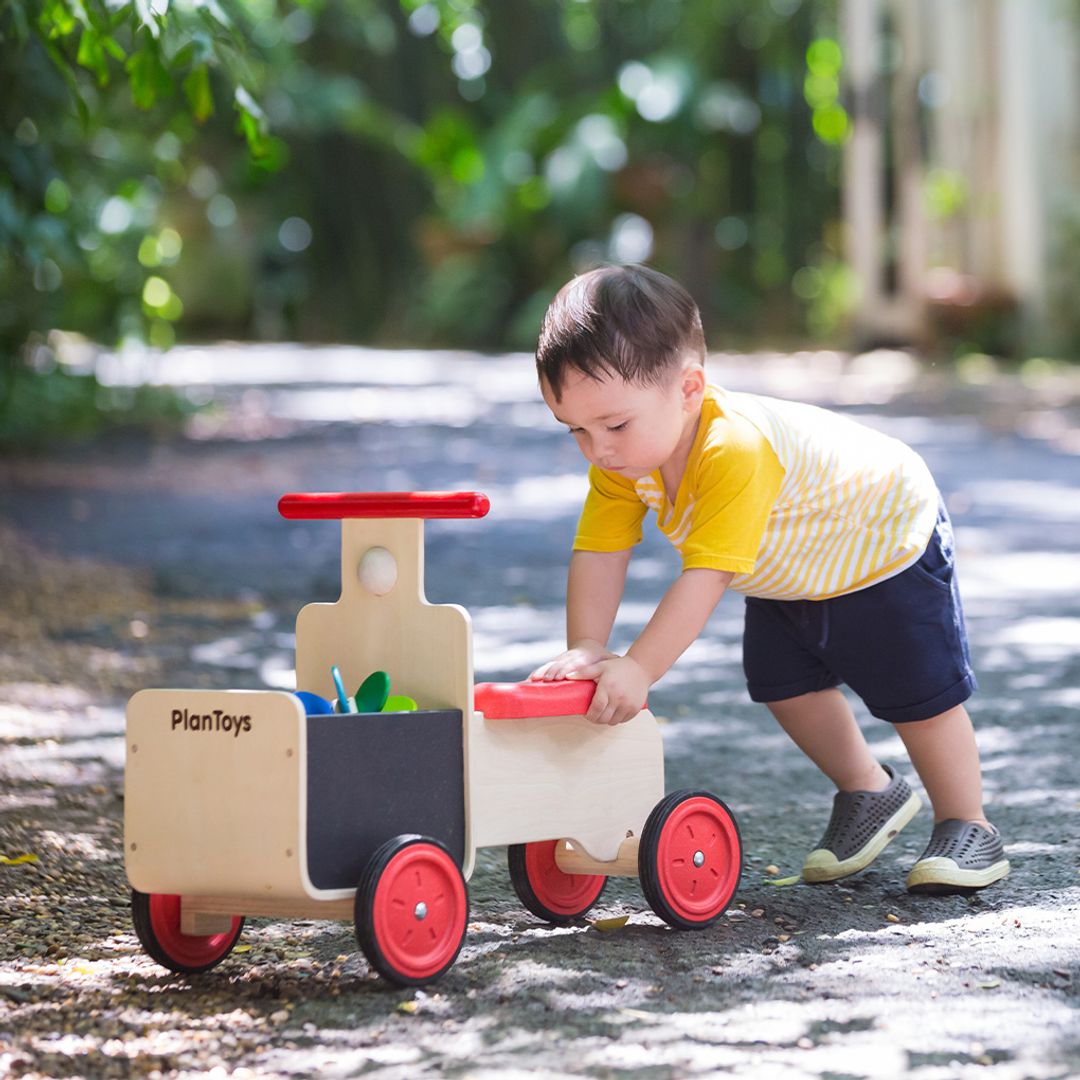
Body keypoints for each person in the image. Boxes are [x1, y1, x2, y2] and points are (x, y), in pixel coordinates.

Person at [529, 263, 1008, 894]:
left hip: (879, 540)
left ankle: (967, 823)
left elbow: (705, 576)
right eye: (578, 432)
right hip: (792, 569)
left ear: (689, 388)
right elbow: (599, 551)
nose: (598, 450)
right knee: (783, 683)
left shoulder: (734, 449)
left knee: (919, 695)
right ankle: (870, 789)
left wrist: (639, 668)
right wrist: (588, 647)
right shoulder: (621, 465)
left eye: (614, 425)